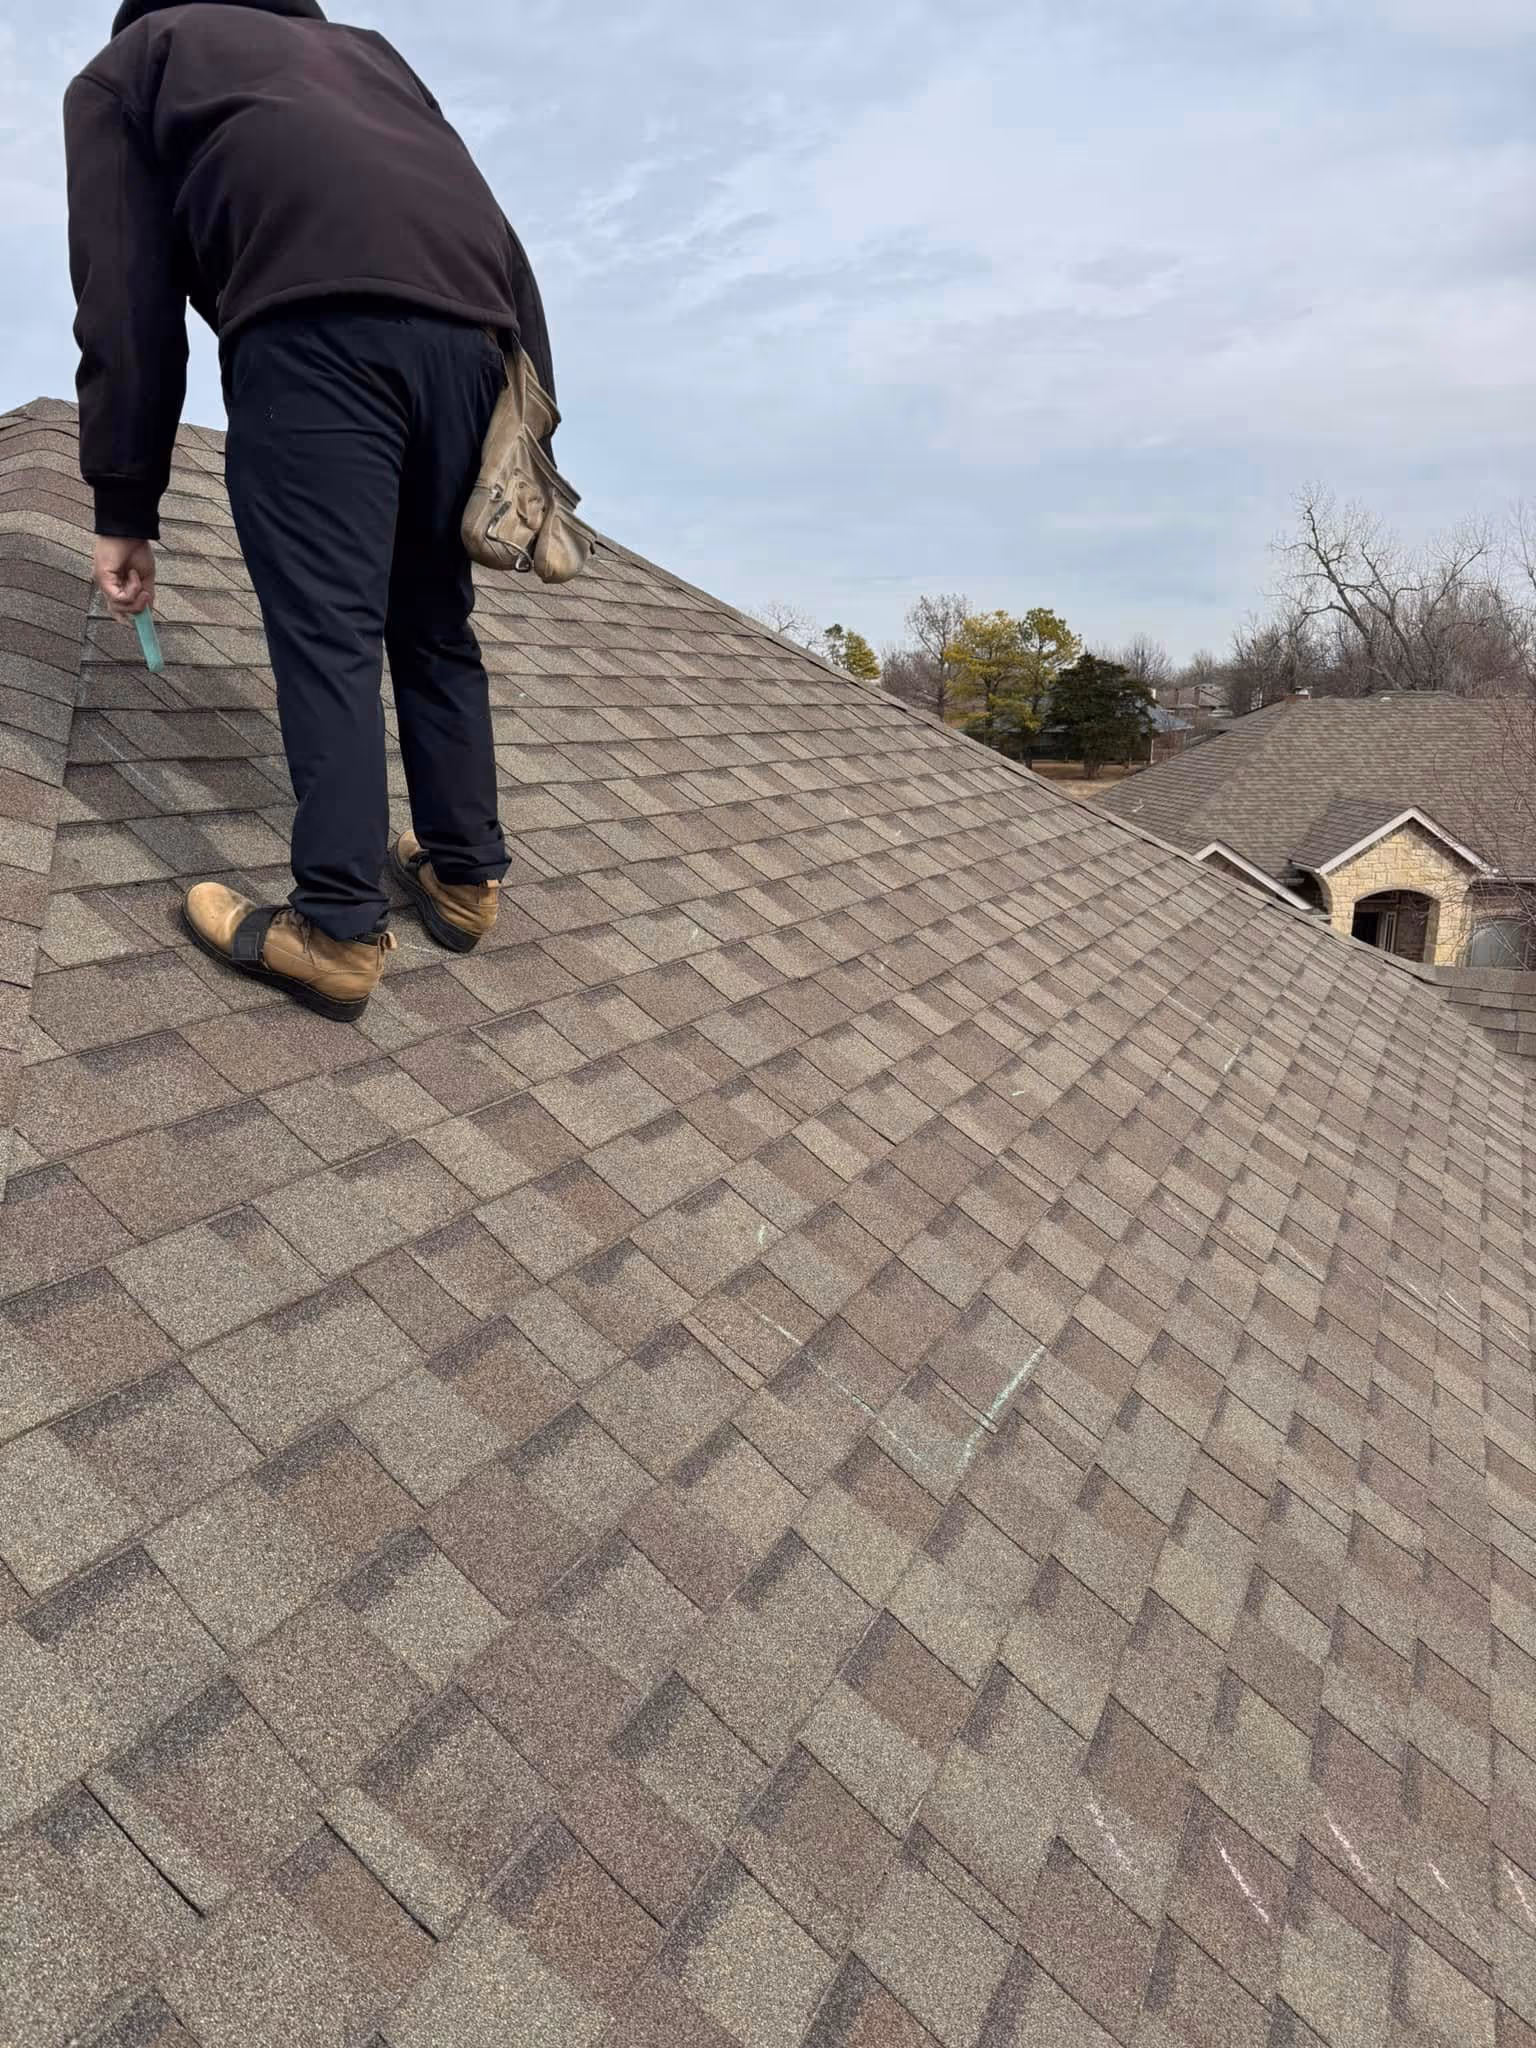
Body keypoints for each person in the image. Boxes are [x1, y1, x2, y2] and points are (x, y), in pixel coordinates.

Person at [65, 0, 556, 1020]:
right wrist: (533, 428)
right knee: (431, 621)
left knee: (329, 633)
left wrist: (124, 499)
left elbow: (129, 296)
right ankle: (465, 875)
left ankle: (335, 928)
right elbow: (501, 236)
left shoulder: (134, 65)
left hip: (315, 335)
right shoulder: (364, 53)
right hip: (474, 342)